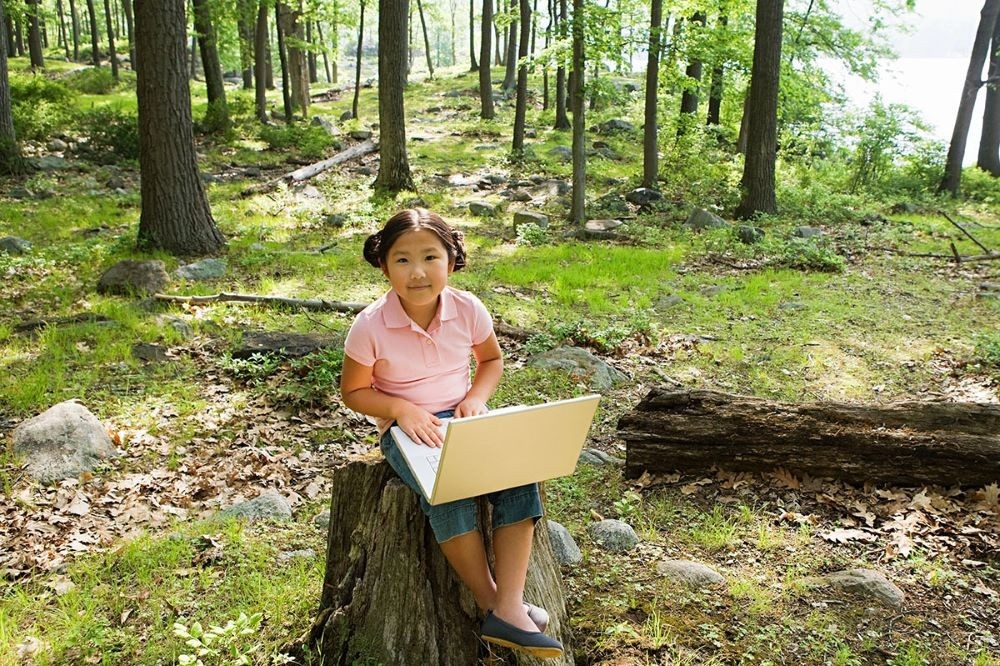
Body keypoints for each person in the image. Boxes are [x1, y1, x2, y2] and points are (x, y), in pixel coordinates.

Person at [340, 208, 563, 659]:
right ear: (383, 266)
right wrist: (401, 408)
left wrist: (477, 398)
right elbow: (354, 391)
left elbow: (492, 361)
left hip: (464, 419)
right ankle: (496, 606)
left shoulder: (467, 309)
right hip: (407, 430)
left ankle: (509, 604)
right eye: (402, 260)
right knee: (449, 491)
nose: (417, 272)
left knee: (520, 476)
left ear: (452, 259)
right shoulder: (370, 325)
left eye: (430, 257)